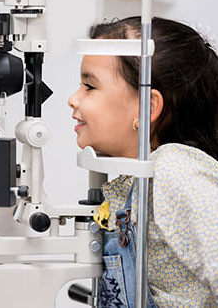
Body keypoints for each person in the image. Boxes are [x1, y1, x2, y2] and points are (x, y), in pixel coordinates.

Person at [68, 16, 218, 307]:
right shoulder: (136, 179)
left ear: (147, 107)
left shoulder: (175, 170)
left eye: (89, 86)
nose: (73, 99)